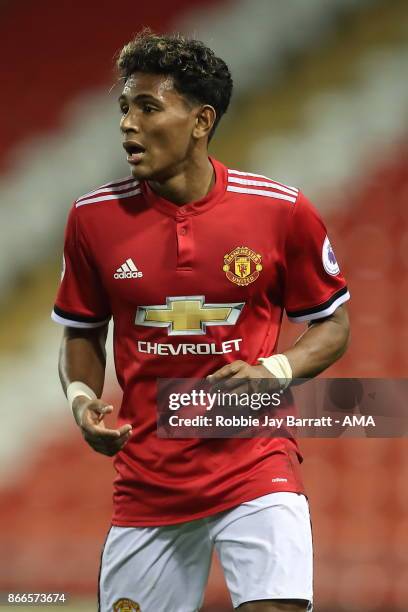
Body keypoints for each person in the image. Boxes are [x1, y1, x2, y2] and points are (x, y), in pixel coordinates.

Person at [52, 29, 350, 612]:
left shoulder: (280, 211)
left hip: (255, 462)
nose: (126, 125)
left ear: (200, 120)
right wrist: (81, 396)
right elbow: (81, 331)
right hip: (148, 481)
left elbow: (333, 326)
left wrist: (276, 368)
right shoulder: (92, 220)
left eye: (147, 107)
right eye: (123, 108)